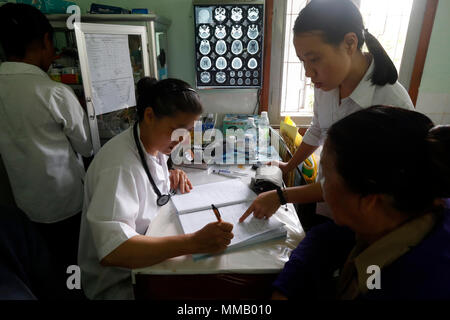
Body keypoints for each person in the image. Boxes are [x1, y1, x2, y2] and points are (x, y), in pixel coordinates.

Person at [240, 0, 414, 226]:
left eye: (314, 60)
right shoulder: (327, 84)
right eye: (303, 61)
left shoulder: (390, 105)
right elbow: (318, 128)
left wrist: (282, 196)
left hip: (367, 226)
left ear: (350, 43)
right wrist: (288, 166)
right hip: (329, 209)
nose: (309, 73)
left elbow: (352, 185)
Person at [78, 77, 234, 300]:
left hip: (150, 252)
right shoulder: (118, 166)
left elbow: (148, 184)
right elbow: (114, 251)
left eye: (188, 131)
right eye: (176, 129)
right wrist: (193, 243)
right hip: (121, 282)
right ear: (149, 116)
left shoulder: (154, 144)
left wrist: (169, 176)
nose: (181, 139)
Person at [271, 106, 450, 299]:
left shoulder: (417, 287)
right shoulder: (399, 214)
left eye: (326, 176)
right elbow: (325, 239)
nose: (322, 185)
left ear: (369, 201)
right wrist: (287, 287)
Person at [0, 3, 92, 281]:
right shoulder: (54, 93)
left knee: (43, 268)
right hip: (66, 203)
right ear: (45, 40)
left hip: (24, 203)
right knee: (73, 265)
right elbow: (87, 146)